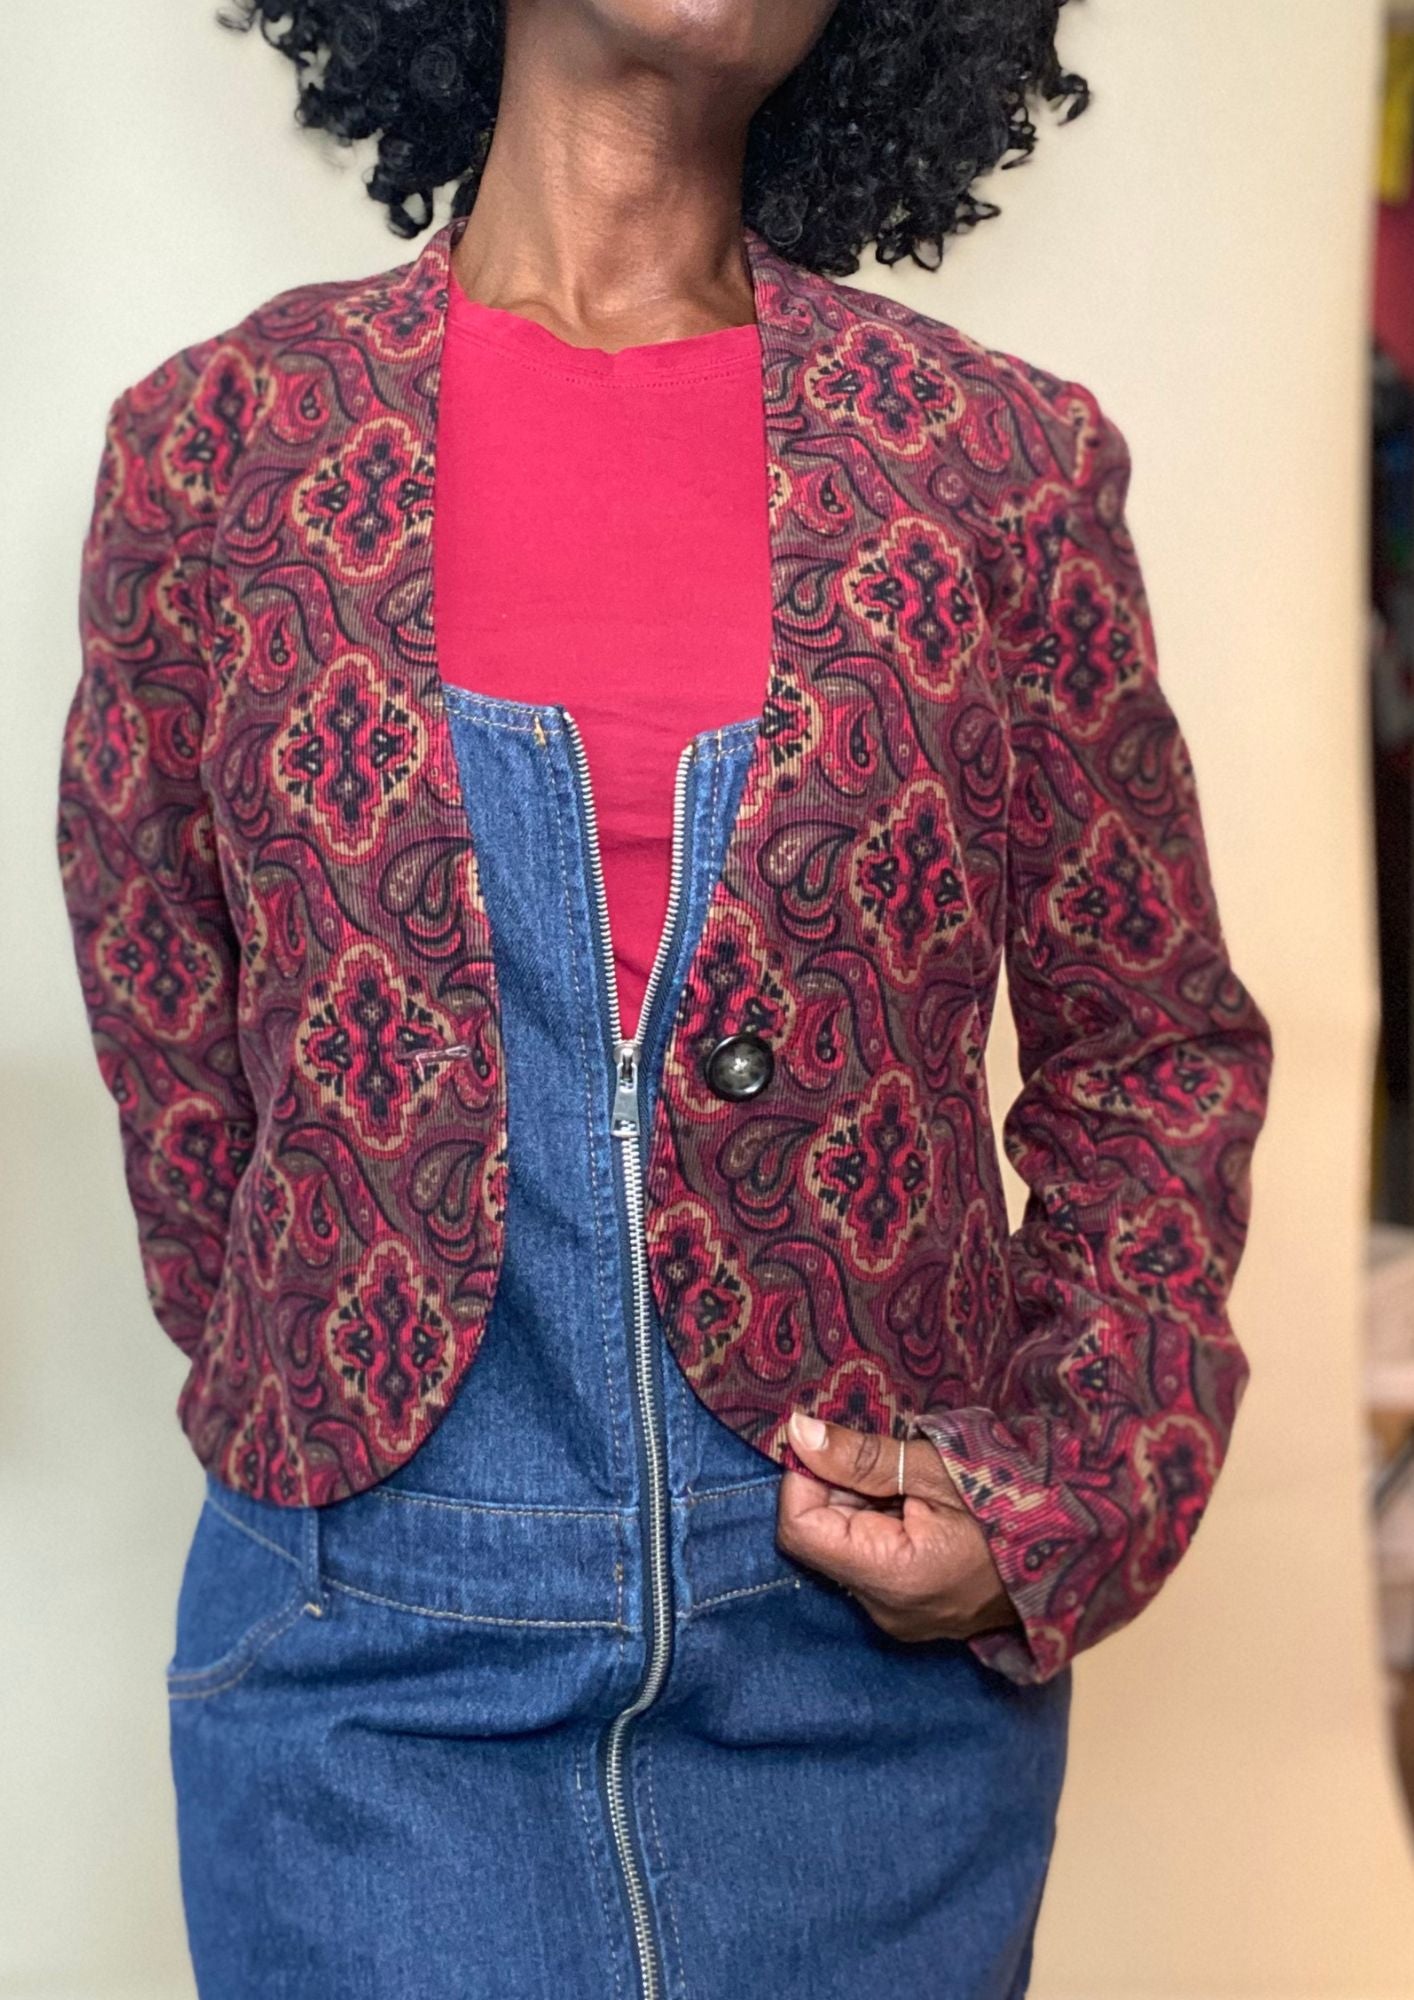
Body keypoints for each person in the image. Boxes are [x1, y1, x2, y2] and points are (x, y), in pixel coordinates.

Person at [54, 2, 1275, 1995]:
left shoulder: (989, 468)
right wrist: (342, 1400)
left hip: (860, 1700)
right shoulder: (215, 450)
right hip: (372, 1671)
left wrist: (1056, 1493)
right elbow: (166, 1033)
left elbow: (1150, 1049)